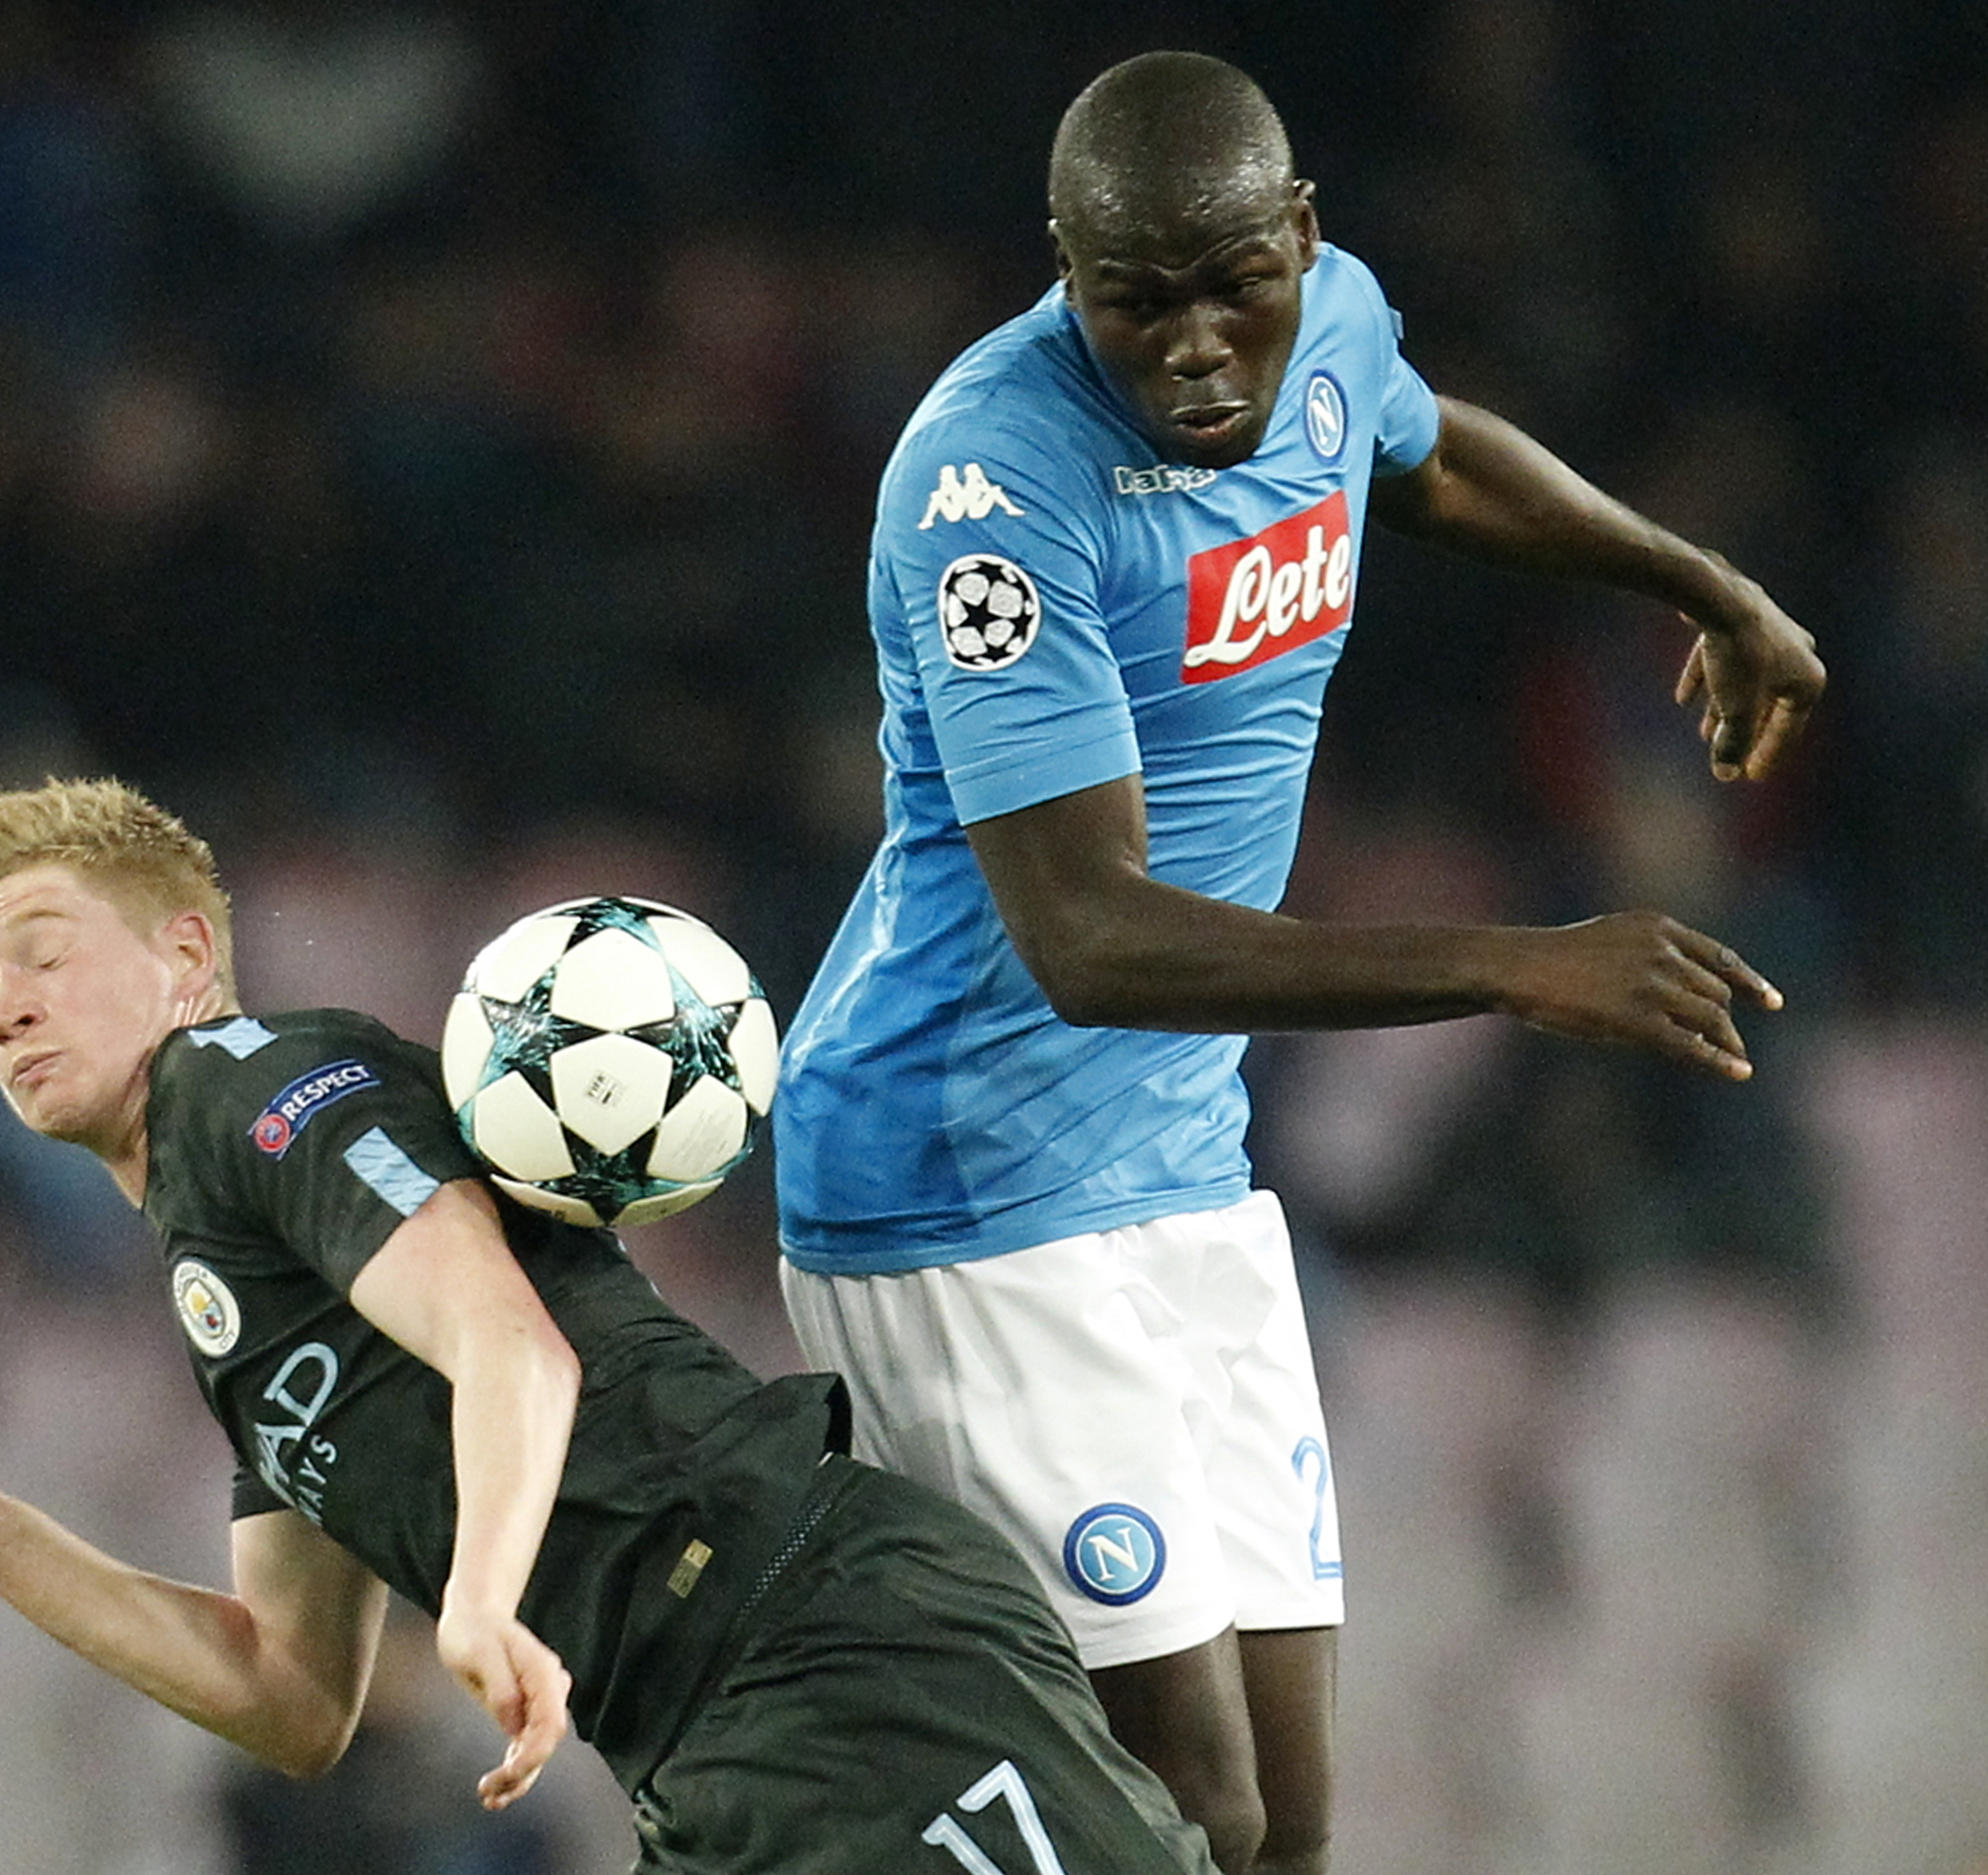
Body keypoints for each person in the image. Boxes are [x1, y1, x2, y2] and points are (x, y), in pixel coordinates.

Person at [771, 49, 1827, 1875]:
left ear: (1303, 239)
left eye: (1230, 287)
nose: (1192, 343)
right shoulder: (992, 491)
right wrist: (1511, 964)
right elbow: (1088, 937)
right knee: (1183, 1809)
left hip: (1179, 1170)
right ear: (1064, 274)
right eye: (1134, 302)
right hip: (964, 1190)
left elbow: (1417, 452)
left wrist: (1692, 580)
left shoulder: (1331, 326)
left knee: (1288, 1828)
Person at [0, 777, 1218, 1875]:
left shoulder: (246, 1079)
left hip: (823, 1641)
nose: (4, 1005)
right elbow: (293, 1696)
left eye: (38, 952)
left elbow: (512, 1344)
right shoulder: (226, 1290)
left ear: (187, 954)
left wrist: (473, 1599)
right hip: (710, 1742)